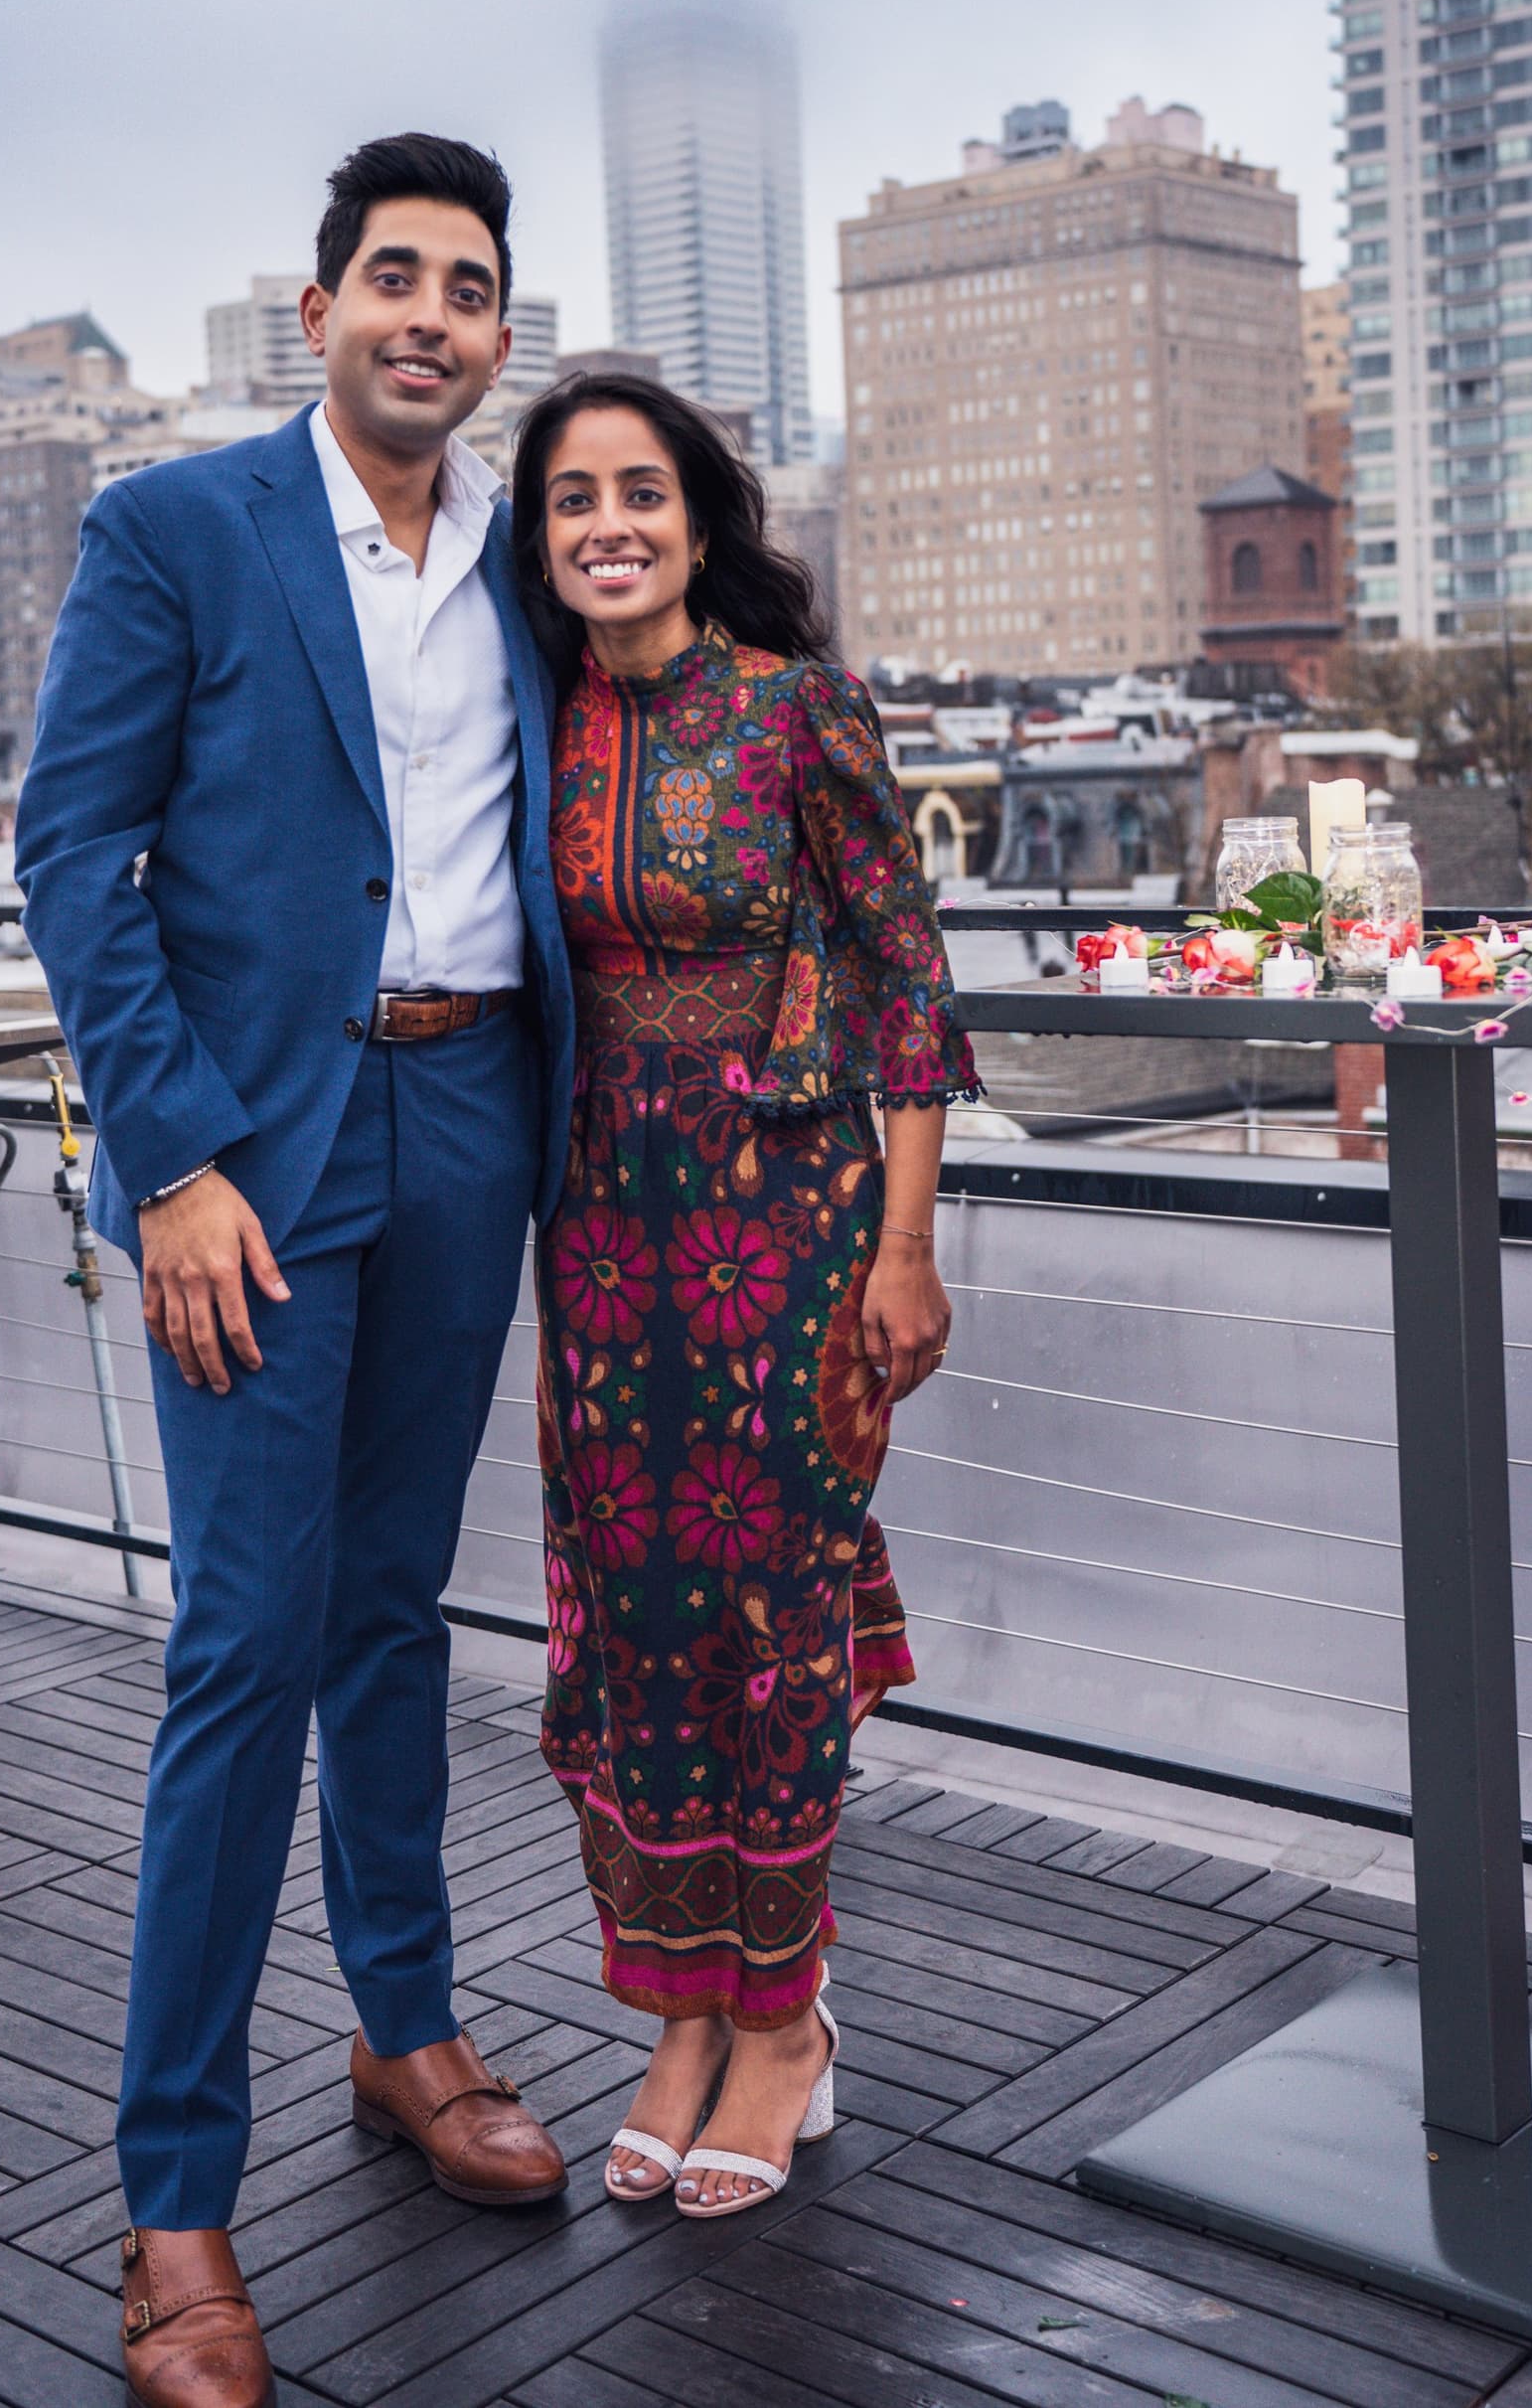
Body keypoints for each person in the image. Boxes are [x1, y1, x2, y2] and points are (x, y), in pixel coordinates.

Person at [17, 133, 575, 2408]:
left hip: (470, 1120)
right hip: (249, 1148)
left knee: (391, 1615)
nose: (428, 315)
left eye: (467, 289)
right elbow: (74, 851)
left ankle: (406, 2020)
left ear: (497, 336)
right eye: (392, 279)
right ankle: (173, 2198)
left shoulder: (529, 561)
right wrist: (167, 1164)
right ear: (320, 304)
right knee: (242, 1655)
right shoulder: (179, 528)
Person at [511, 368, 976, 2221]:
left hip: (789, 1215)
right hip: (601, 1224)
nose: (606, 523)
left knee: (769, 1606)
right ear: (542, 540)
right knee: (631, 1614)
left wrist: (912, 1241)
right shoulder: (533, 723)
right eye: (569, 500)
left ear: (700, 520)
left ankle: (787, 2020)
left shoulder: (799, 711)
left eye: (640, 490)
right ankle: (685, 2006)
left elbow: (909, 979)